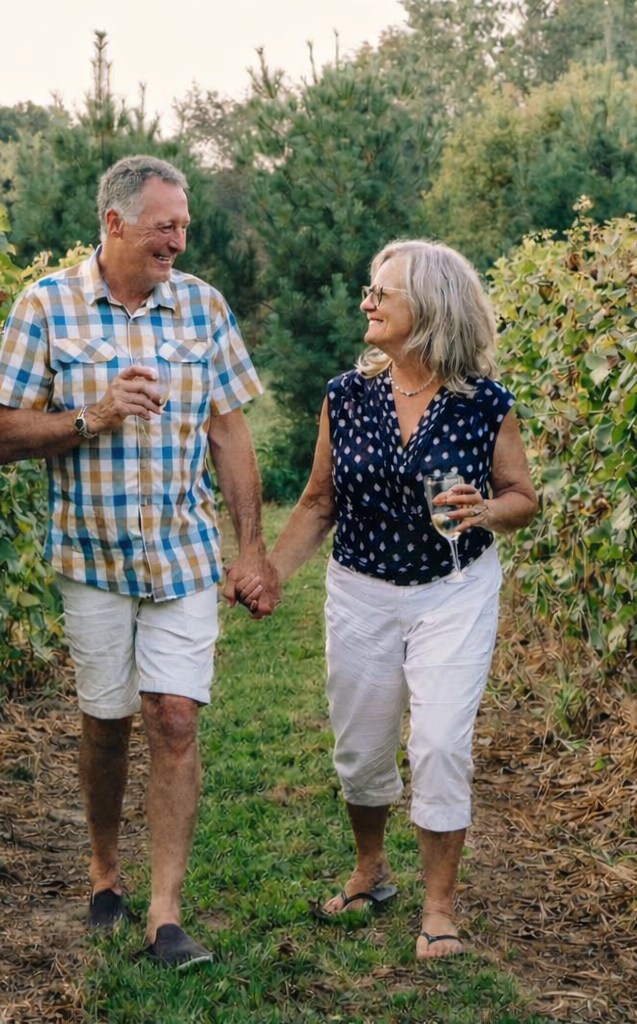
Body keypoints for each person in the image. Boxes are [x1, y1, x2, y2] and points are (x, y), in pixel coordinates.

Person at [0, 155, 276, 969]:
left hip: (183, 553)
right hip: (94, 557)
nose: (178, 242)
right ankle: (104, 873)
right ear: (115, 223)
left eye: (184, 227)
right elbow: (1, 436)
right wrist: (94, 415)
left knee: (174, 717)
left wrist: (252, 548)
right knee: (106, 722)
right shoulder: (45, 305)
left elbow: (229, 431)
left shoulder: (203, 306)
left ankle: (165, 913)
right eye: (164, 227)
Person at [252, 238, 536, 959]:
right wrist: (272, 574)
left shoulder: (485, 405)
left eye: (382, 293)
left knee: (439, 743)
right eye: (369, 290)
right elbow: (318, 502)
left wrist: (486, 510)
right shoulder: (345, 397)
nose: (366, 302)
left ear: (431, 308)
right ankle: (370, 870)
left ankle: (439, 907)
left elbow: (523, 498)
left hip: (453, 589)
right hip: (361, 589)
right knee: (361, 746)